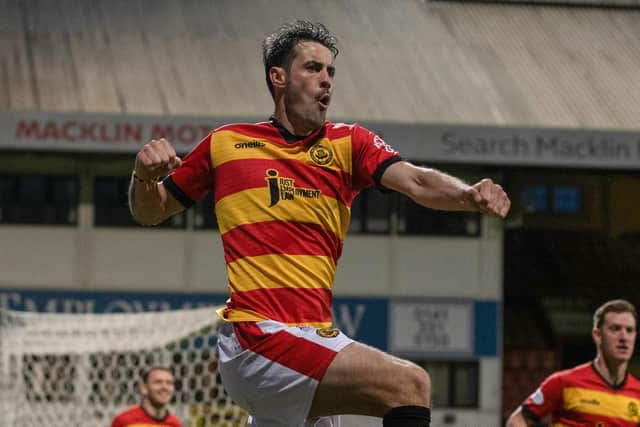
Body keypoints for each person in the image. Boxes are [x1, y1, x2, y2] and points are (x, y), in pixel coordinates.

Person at [128, 20, 510, 427]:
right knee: (410, 384)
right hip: (258, 338)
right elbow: (150, 210)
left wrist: (466, 194)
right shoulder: (226, 144)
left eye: (330, 72)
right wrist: (144, 176)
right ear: (278, 78)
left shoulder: (349, 144)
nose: (326, 81)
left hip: (311, 338)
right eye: (312, 69)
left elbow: (415, 180)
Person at [506, 299, 640, 427]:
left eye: (629, 330)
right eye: (615, 329)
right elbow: (517, 420)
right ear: (597, 335)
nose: (624, 337)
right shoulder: (563, 382)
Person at [111, 366, 182, 427]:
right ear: (144, 388)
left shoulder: (175, 424)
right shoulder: (125, 421)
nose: (164, 387)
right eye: (158, 382)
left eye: (169, 383)